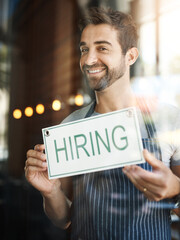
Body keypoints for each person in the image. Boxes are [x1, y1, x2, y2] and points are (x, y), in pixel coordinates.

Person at [25, 7, 180, 240]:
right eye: (84, 49)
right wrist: (51, 191)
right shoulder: (70, 127)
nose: (88, 59)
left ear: (131, 56)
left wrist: (175, 190)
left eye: (102, 48)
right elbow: (65, 218)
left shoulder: (168, 120)